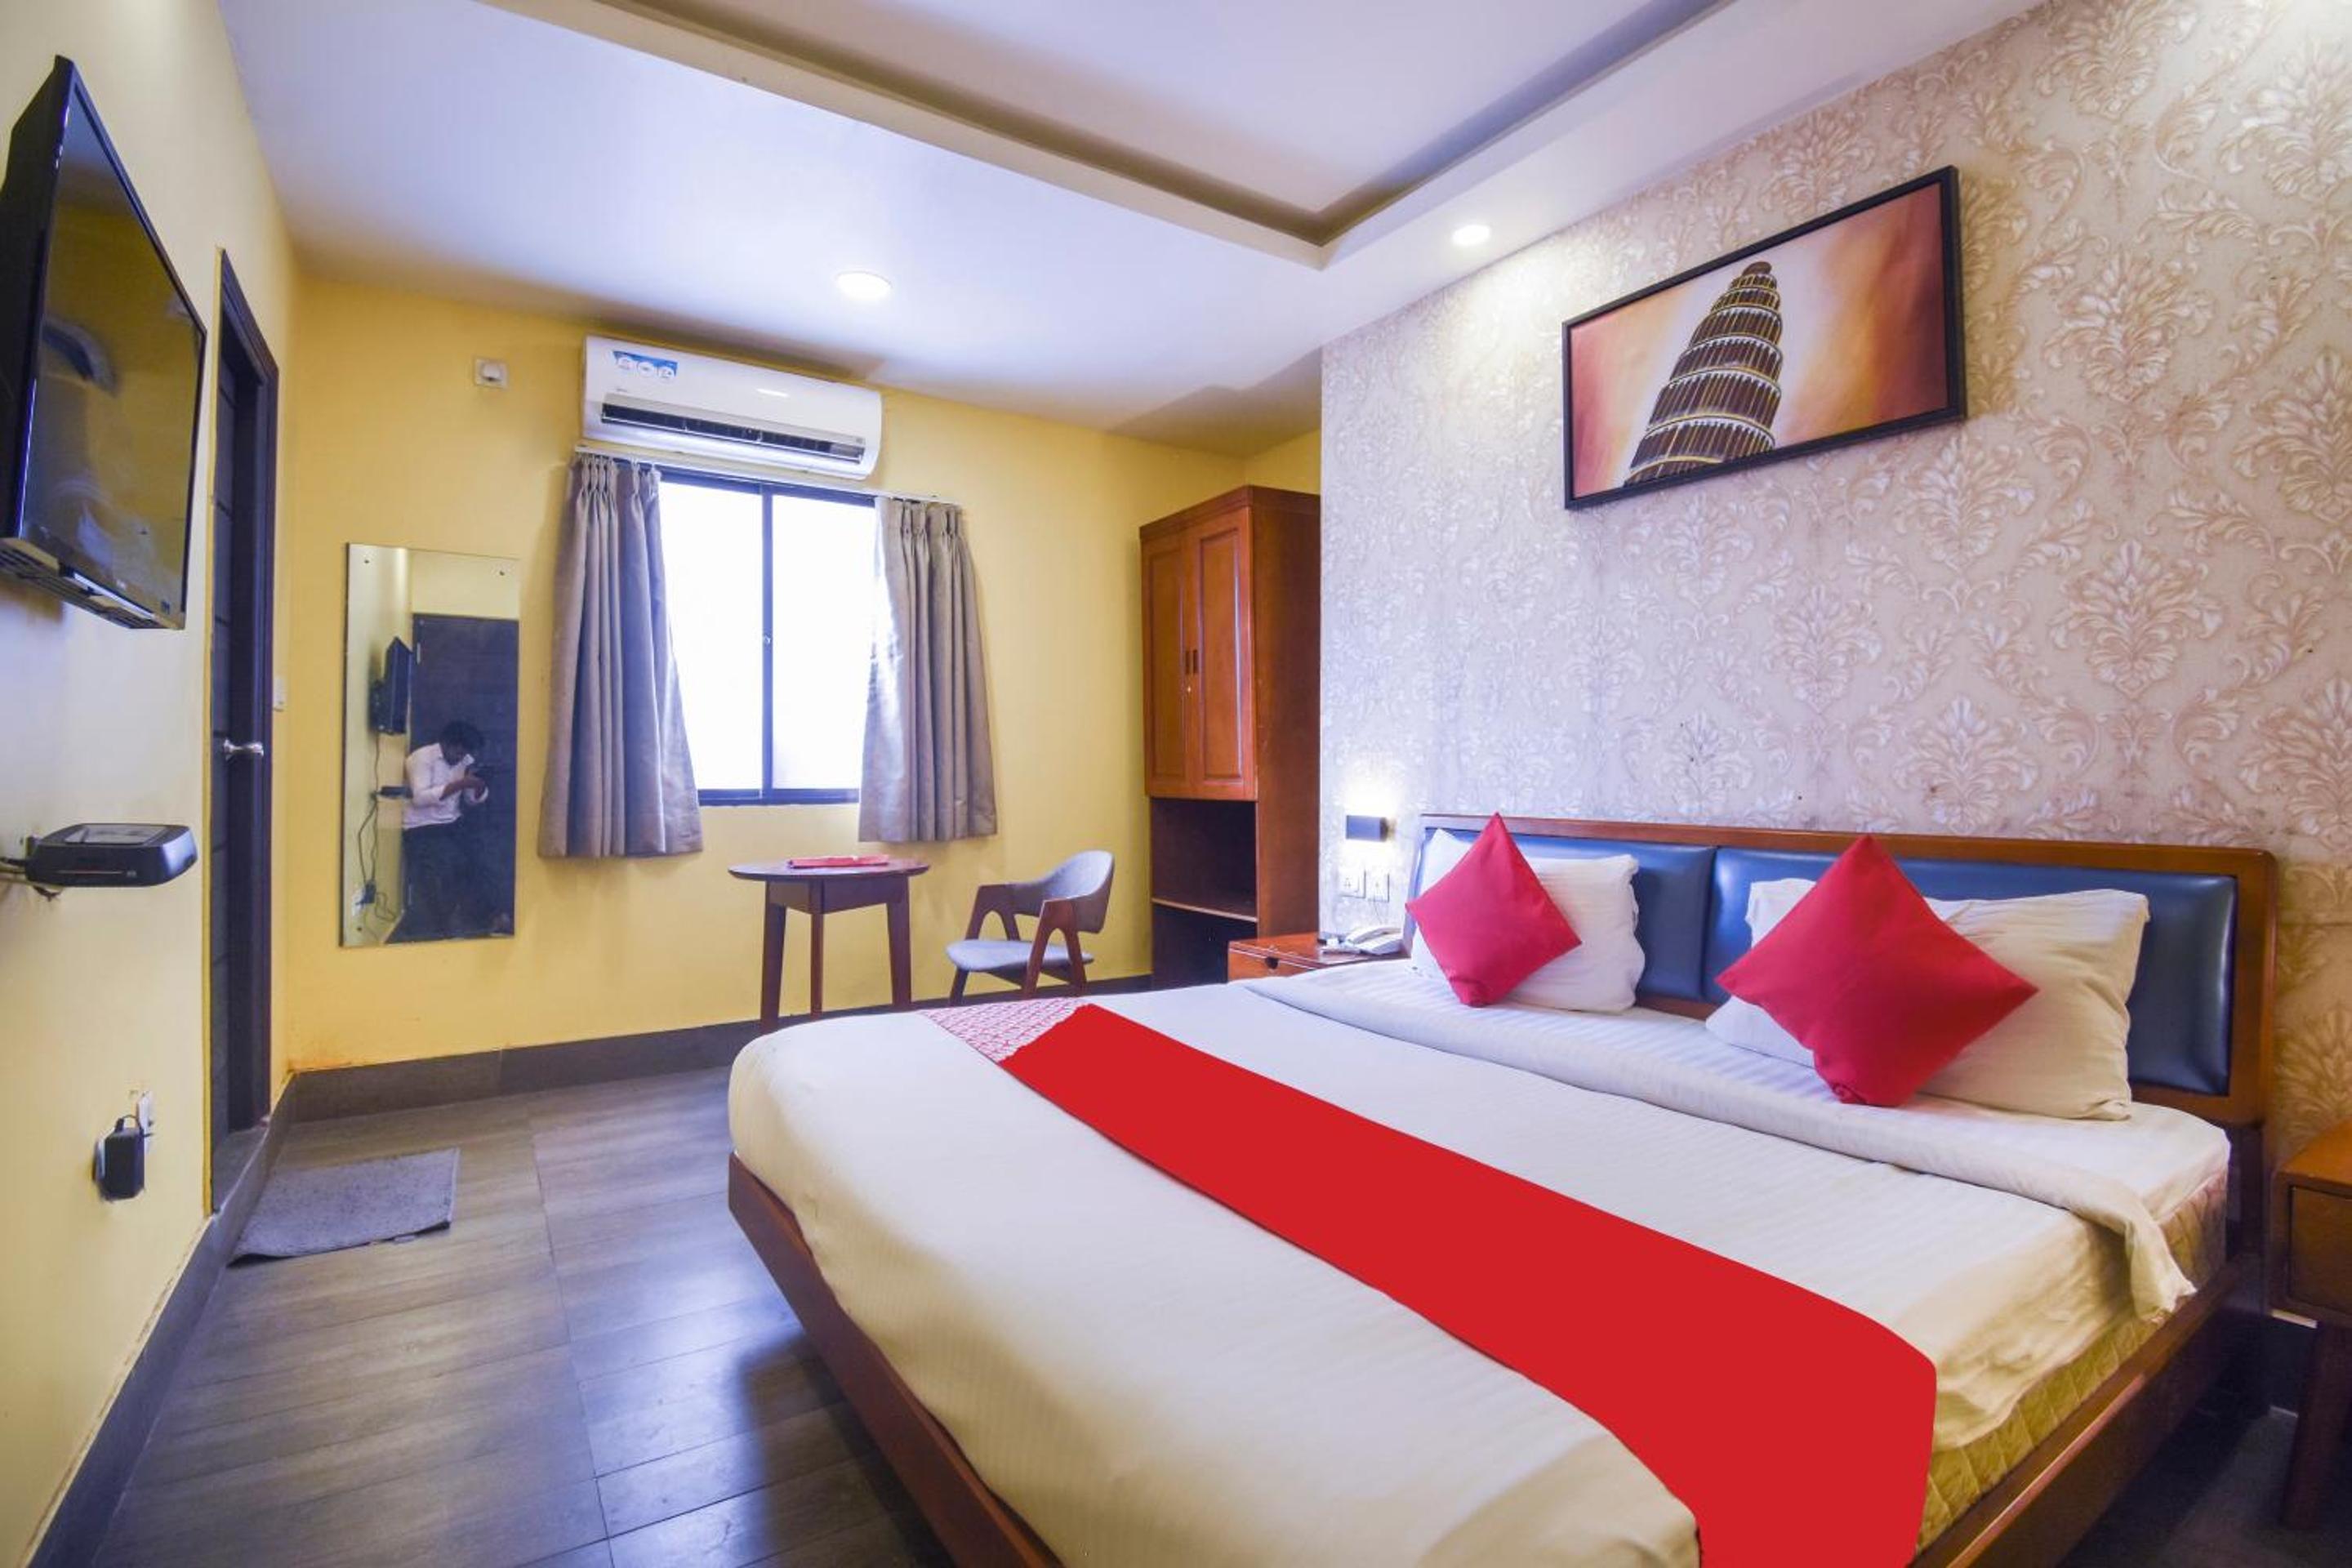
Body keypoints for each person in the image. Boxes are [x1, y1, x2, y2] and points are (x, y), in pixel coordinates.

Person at [398, 720, 488, 941]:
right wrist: (460, 784)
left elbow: (471, 800)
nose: (461, 757)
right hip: (422, 827)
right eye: (458, 751)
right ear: (445, 743)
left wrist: (479, 786)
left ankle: (482, 921)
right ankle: (442, 929)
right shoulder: (421, 758)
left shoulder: (466, 760)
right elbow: (419, 798)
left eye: (465, 753)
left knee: (481, 862)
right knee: (442, 872)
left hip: (451, 823)